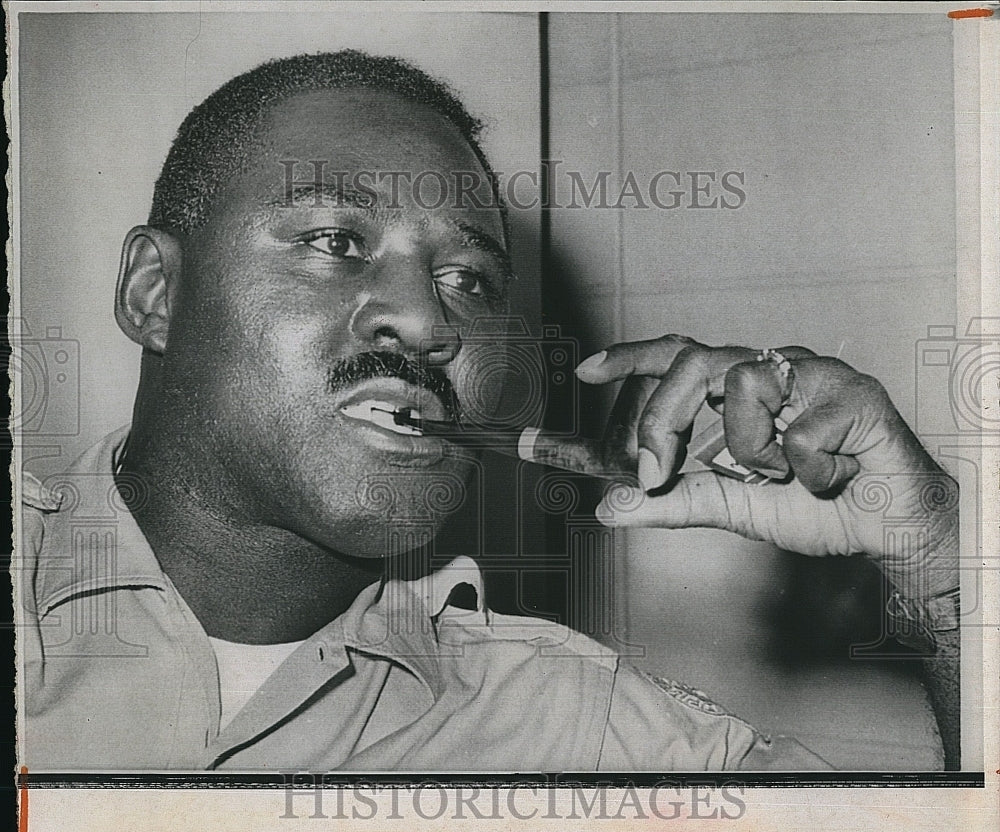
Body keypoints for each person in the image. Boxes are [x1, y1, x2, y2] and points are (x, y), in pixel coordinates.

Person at [19, 50, 960, 772]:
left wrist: (936, 561)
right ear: (155, 295)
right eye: (335, 239)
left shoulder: (574, 729)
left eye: (469, 278)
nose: (431, 323)